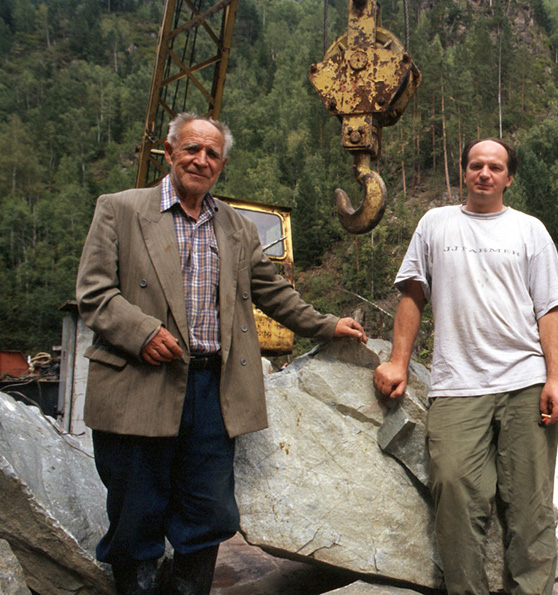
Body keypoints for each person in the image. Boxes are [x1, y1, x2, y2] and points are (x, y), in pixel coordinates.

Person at [76, 113, 367, 595]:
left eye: (212, 154)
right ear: (169, 152)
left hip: (213, 389)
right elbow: (94, 293)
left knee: (209, 512)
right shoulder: (120, 209)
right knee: (135, 511)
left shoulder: (235, 227)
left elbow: (273, 293)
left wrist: (327, 324)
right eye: (191, 149)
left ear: (222, 165)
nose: (201, 160)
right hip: (138, 383)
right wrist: (142, 332)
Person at [373, 138, 558, 595]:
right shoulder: (435, 223)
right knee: (454, 491)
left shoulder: (529, 230)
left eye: (495, 167)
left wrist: (557, 379)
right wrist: (398, 362)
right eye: (476, 165)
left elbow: (549, 309)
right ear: (463, 171)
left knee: (530, 505)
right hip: (457, 383)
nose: (485, 173)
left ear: (509, 177)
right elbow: (413, 294)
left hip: (526, 381)